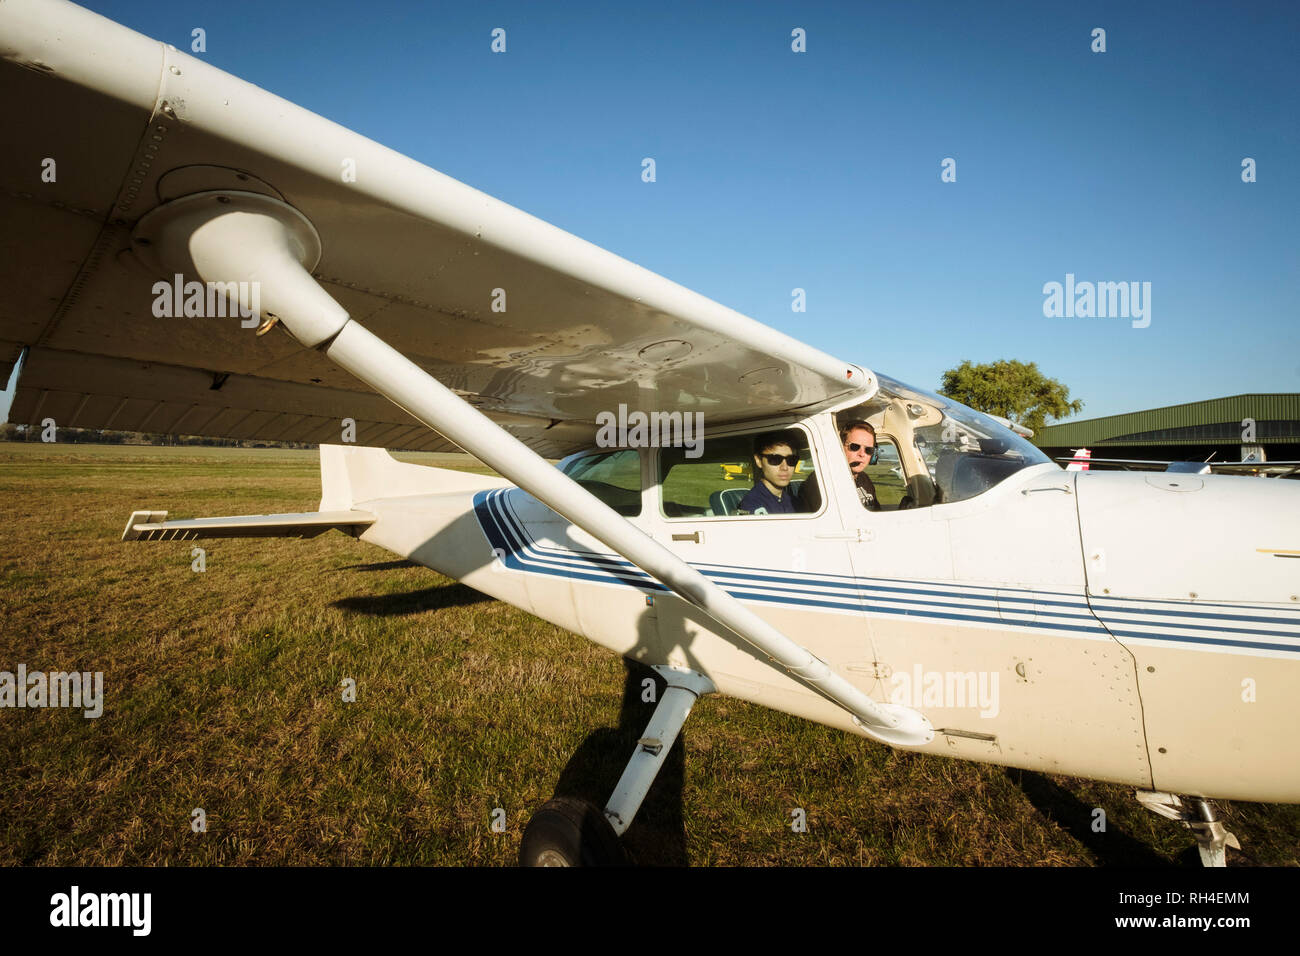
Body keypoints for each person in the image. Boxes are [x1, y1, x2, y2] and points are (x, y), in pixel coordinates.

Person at [797, 419, 880, 512]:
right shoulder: (821, 481)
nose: (862, 454)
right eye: (855, 447)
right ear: (840, 447)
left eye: (868, 450)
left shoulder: (864, 479)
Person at [737, 432, 800, 515]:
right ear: (759, 461)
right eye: (775, 459)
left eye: (791, 460)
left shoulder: (792, 500)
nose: (785, 467)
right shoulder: (752, 505)